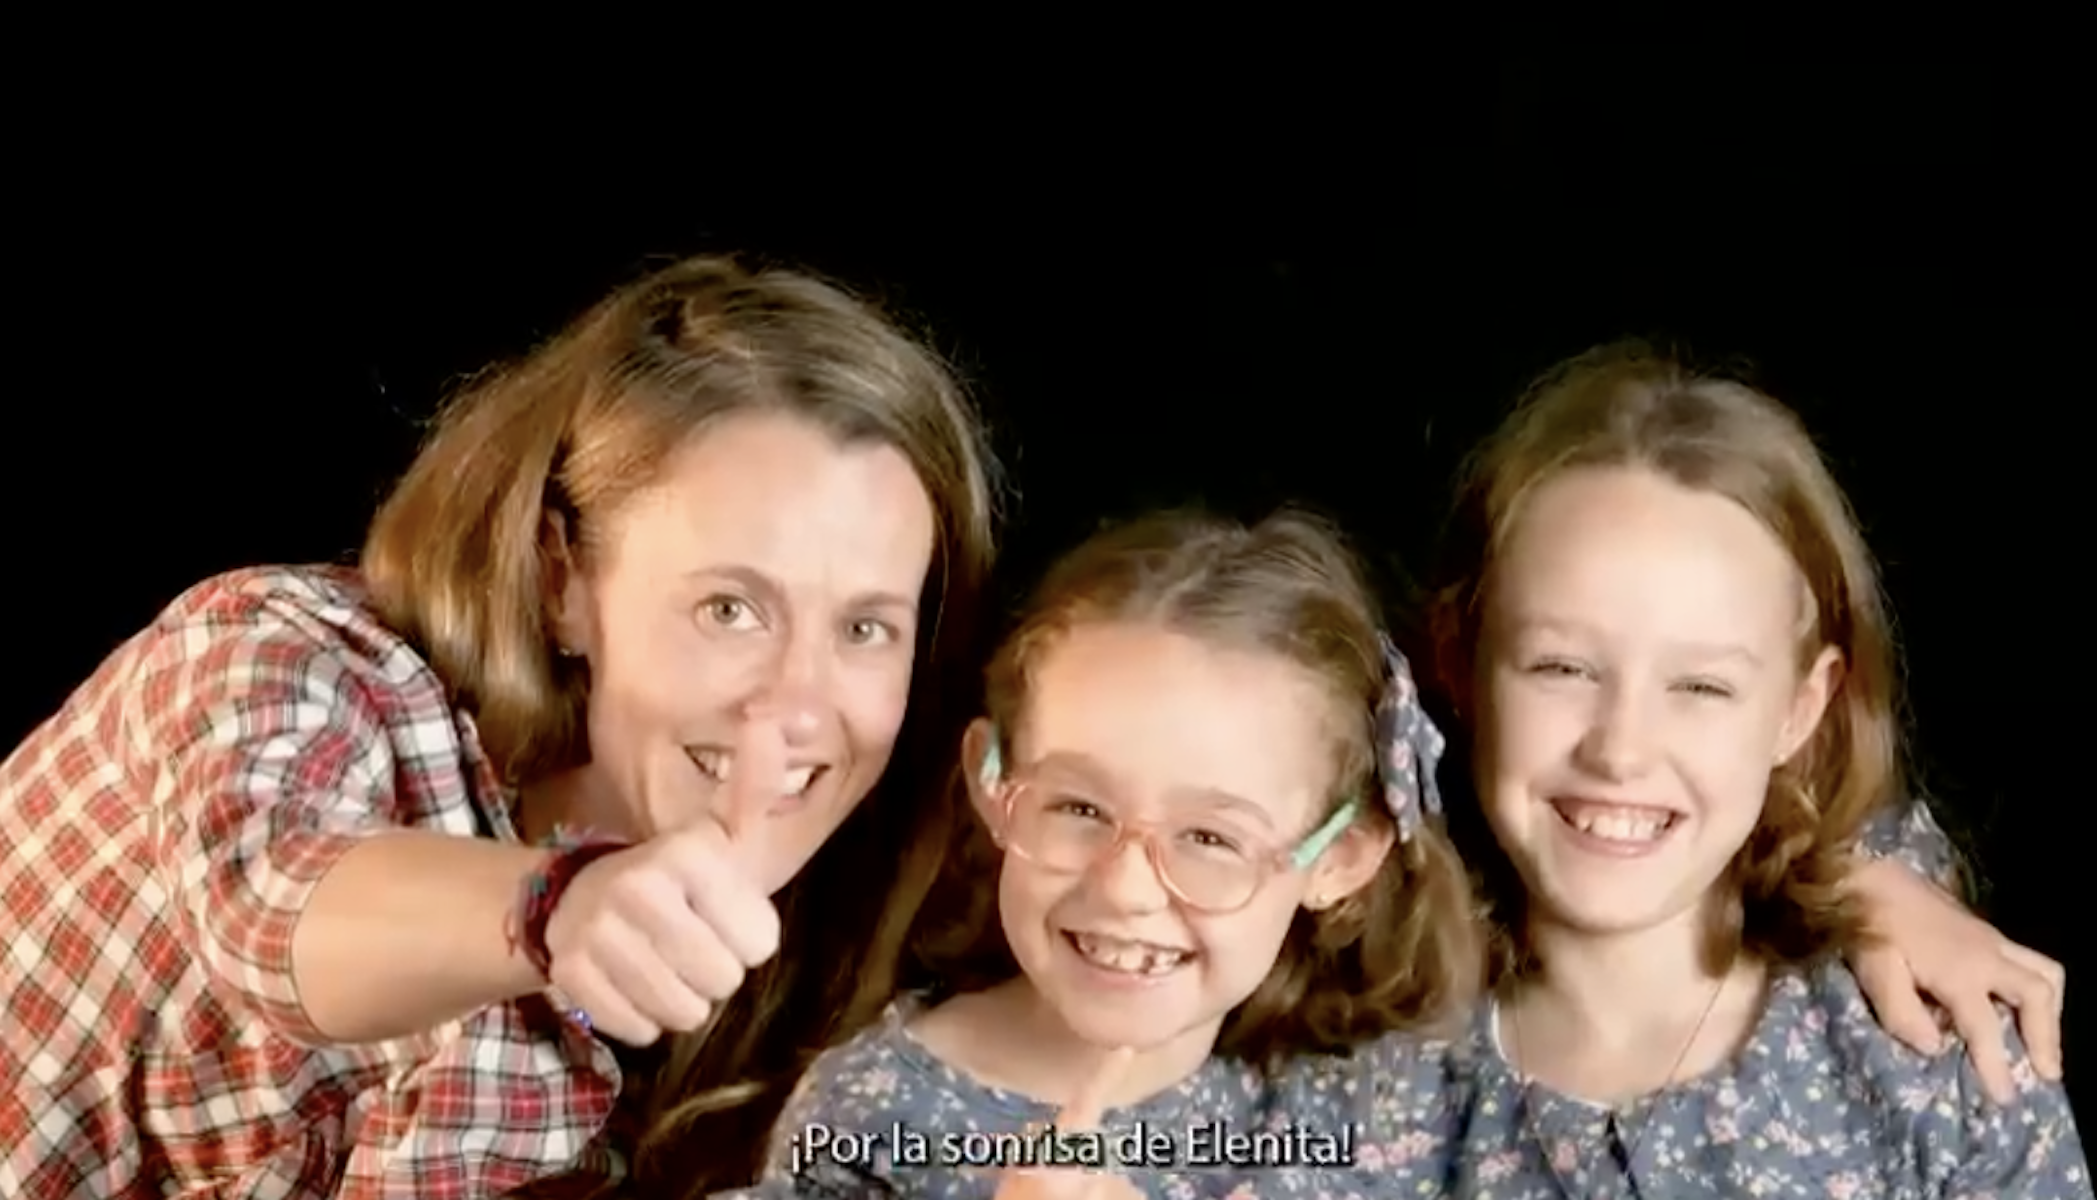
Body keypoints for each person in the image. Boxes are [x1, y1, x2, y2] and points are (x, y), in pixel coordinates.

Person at [0, 256, 1000, 1199]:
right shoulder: (275, 655)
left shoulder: (825, 975)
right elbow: (271, 899)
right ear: (561, 579)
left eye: (867, 628)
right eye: (729, 609)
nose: (798, 703)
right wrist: (558, 909)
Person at [1322, 342, 2089, 1194]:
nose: (1619, 751)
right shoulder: (1342, 1081)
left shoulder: (1935, 1068)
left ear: (1799, 710)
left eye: (1700, 685)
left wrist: (1862, 874)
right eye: (1561, 668)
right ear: (1458, 661)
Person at [729, 509, 1487, 1199]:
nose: (1125, 888)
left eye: (1210, 838)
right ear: (992, 789)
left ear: (1338, 860)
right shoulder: (875, 1114)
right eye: (1080, 809)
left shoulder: (1373, 1106)